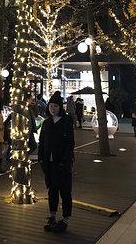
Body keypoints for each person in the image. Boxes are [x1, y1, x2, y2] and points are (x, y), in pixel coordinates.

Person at [38, 91, 75, 233]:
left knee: (65, 192)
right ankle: (52, 216)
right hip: (49, 163)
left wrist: (64, 161)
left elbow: (70, 144)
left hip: (63, 164)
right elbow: (42, 142)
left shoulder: (66, 122)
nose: (53, 109)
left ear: (60, 107)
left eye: (55, 106)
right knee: (52, 190)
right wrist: (41, 159)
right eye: (51, 106)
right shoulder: (46, 123)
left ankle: (65, 220)